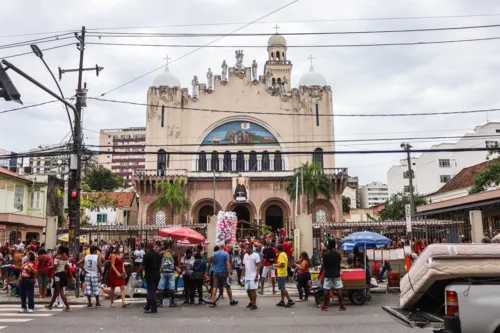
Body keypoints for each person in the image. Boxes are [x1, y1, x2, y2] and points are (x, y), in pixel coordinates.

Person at [320, 239, 345, 312]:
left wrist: (320, 273)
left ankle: (324, 306)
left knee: (326, 289)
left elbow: (323, 265)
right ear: (334, 245)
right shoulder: (338, 255)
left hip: (328, 274)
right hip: (336, 273)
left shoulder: (325, 255)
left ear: (328, 245)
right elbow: (338, 265)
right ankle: (341, 306)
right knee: (338, 289)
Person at [45, 246, 72, 311]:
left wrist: (50, 266)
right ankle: (50, 305)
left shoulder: (57, 257)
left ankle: (67, 306)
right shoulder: (66, 258)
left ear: (60, 250)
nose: (57, 249)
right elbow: (67, 267)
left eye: (58, 249)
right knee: (56, 291)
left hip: (57, 275)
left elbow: (54, 267)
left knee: (60, 291)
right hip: (63, 274)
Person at [141, 243, 161, 313]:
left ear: (147, 248)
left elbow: (142, 266)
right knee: (153, 291)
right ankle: (148, 306)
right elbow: (160, 264)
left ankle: (154, 308)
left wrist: (138, 273)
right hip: (157, 275)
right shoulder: (158, 255)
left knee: (151, 292)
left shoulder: (146, 255)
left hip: (150, 275)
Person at [242, 243, 261, 310]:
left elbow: (259, 265)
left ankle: (254, 304)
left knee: (253, 290)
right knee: (248, 290)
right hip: (247, 275)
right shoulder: (245, 256)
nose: (245, 249)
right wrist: (242, 275)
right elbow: (244, 266)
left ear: (250, 248)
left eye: (247, 248)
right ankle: (251, 301)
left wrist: (257, 275)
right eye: (245, 248)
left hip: (253, 275)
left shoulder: (256, 255)